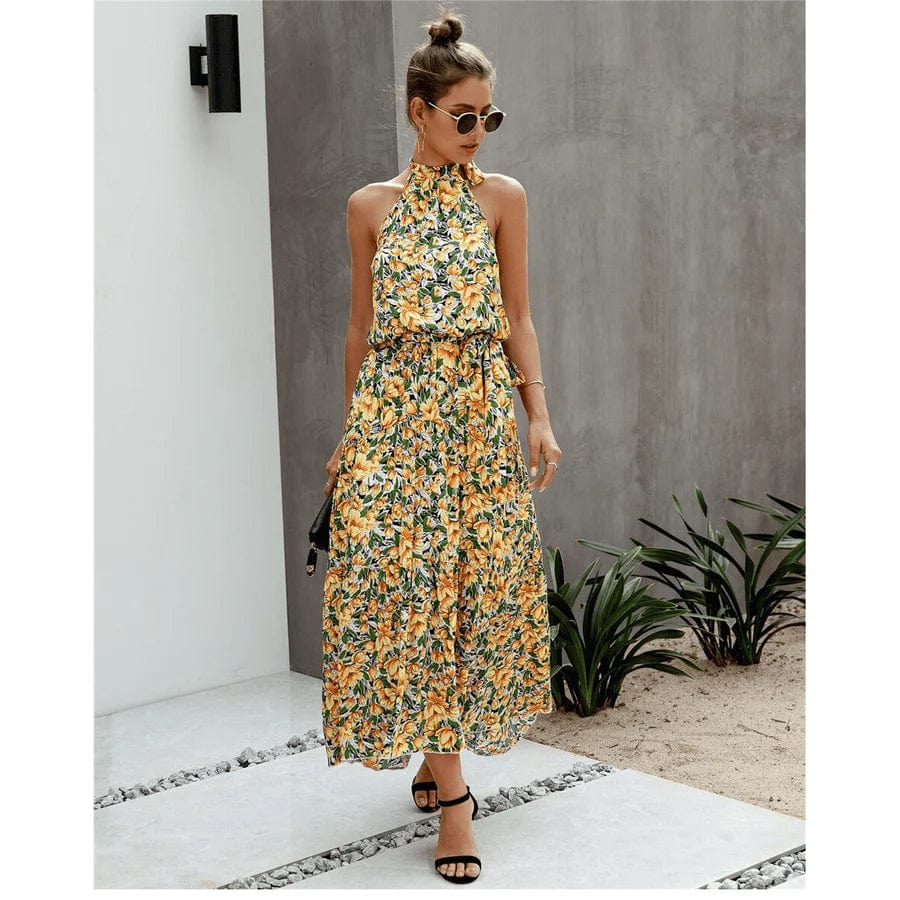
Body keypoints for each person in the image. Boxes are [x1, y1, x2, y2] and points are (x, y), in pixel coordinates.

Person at [320, 10, 562, 885]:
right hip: (394, 419)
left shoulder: (503, 198)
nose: (478, 131)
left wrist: (538, 415)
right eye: (464, 115)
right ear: (418, 112)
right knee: (404, 589)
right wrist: (351, 433)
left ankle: (438, 755)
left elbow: (518, 314)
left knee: (470, 593)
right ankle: (456, 802)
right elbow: (360, 329)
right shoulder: (369, 208)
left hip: (477, 416)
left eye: (488, 116)